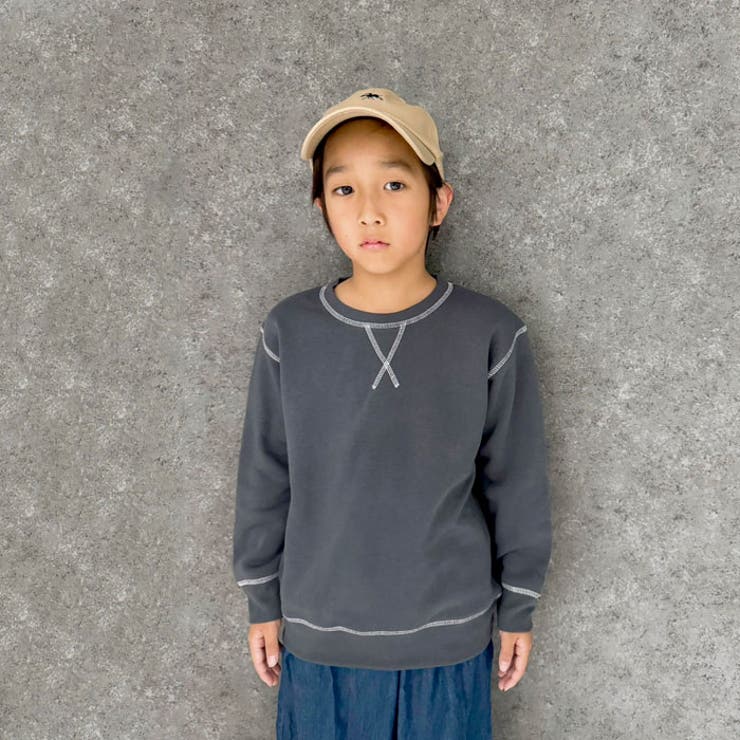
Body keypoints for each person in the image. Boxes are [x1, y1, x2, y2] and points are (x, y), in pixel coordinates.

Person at [232, 87, 553, 739]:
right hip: (319, 640)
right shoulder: (290, 330)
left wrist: (519, 601)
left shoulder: (489, 332)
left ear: (440, 202)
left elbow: (516, 477)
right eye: (344, 189)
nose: (370, 211)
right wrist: (261, 597)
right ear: (322, 207)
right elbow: (266, 472)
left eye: (395, 184)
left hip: (448, 641)